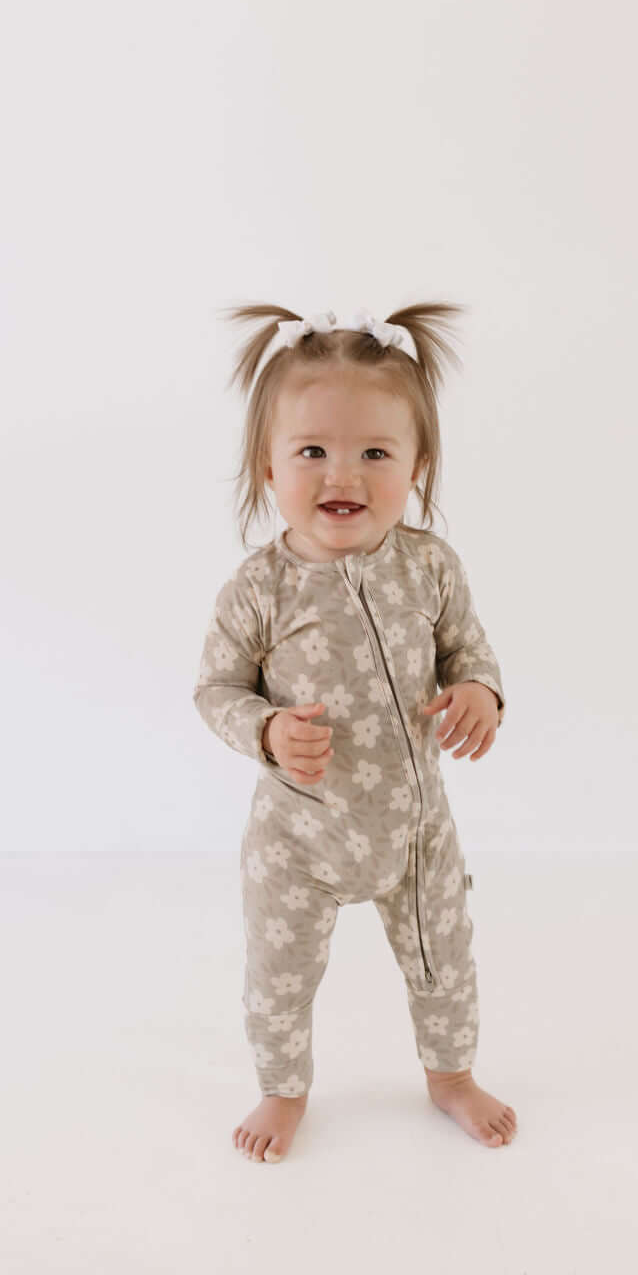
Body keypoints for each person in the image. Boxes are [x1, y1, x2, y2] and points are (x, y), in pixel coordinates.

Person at [193, 302, 517, 1163]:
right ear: (267, 466)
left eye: (375, 452)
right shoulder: (259, 590)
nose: (345, 474)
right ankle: (282, 1088)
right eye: (313, 451)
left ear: (418, 465)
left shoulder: (430, 566)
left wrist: (479, 691)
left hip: (415, 831)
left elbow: (468, 649)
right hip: (298, 840)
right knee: (280, 976)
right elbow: (215, 688)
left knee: (446, 957)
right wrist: (266, 730)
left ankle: (452, 1075)